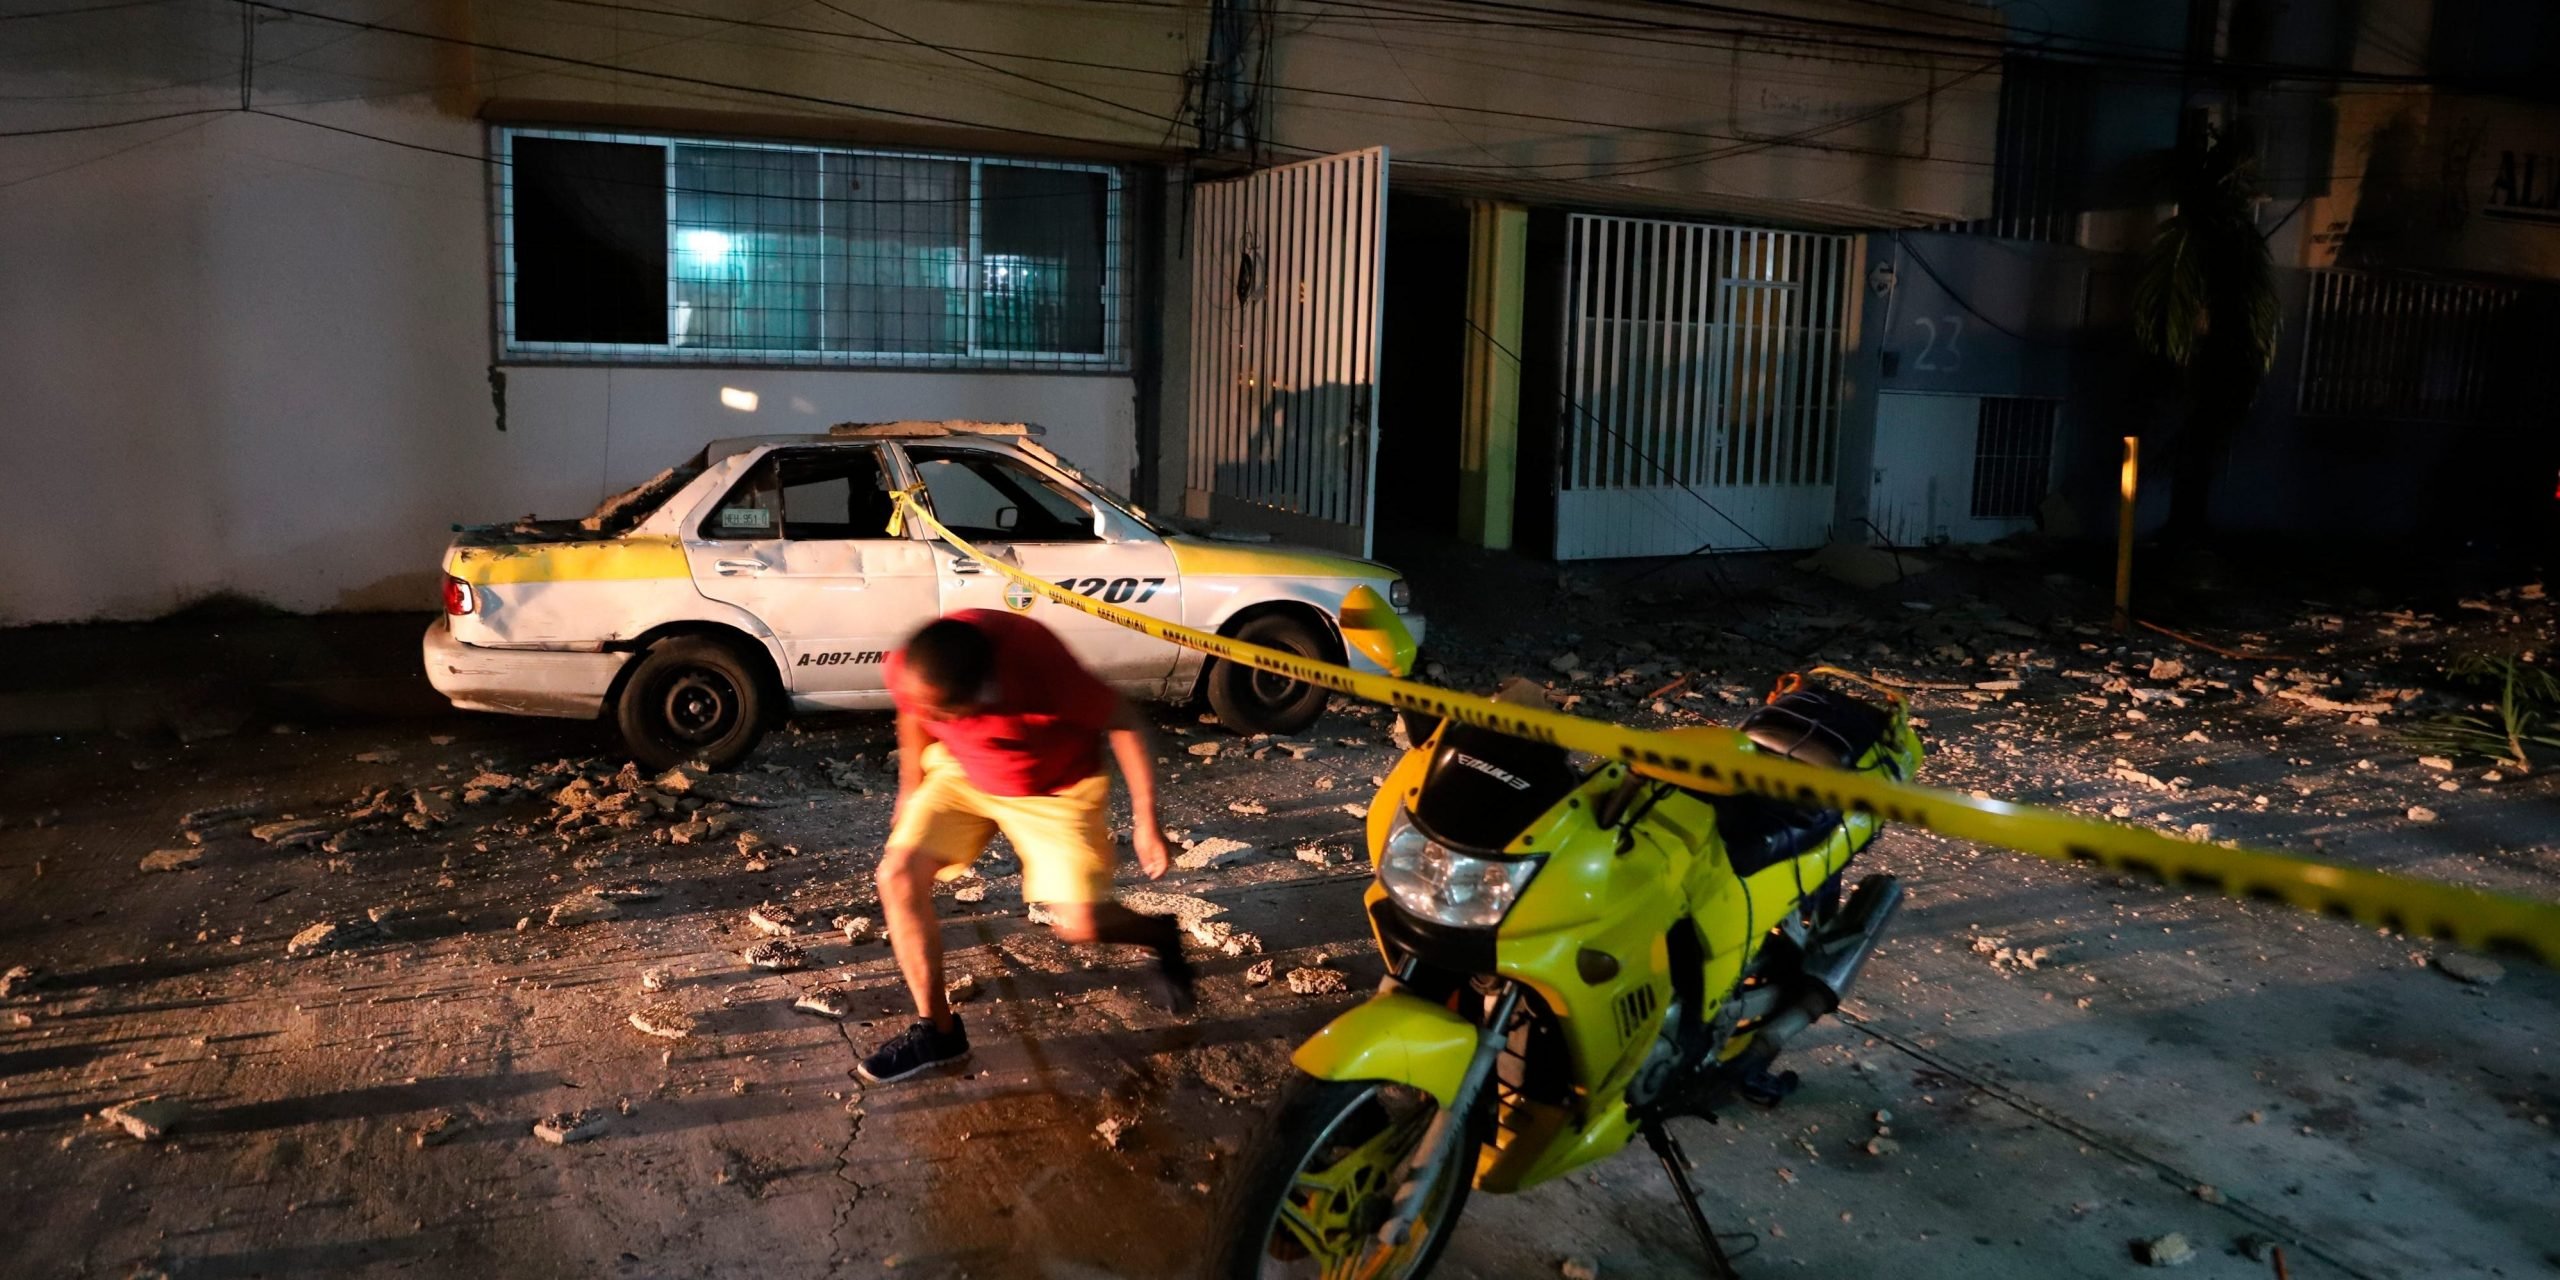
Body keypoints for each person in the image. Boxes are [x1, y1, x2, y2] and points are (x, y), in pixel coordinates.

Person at [855, 609, 1194, 1085]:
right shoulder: (916, 665)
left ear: (984, 695)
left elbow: (1126, 721)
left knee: (1080, 925)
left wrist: (1146, 821)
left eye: (943, 713)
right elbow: (912, 711)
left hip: (1055, 786)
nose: (928, 717)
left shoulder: (1039, 666)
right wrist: (911, 786)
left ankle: (1160, 934)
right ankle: (939, 1032)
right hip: (963, 773)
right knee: (897, 874)